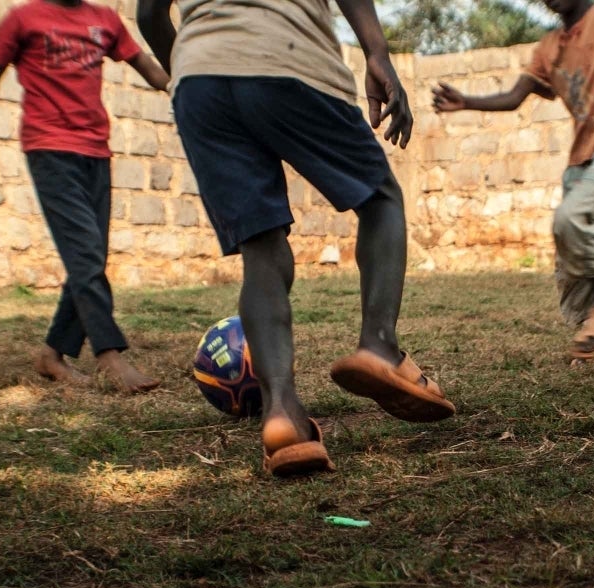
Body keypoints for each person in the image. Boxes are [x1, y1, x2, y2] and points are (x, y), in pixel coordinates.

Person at [136, 0, 456, 477]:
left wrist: (187, 66)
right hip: (285, 59)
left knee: (261, 249)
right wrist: (377, 52)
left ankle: (282, 415)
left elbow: (148, 15)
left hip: (199, 78)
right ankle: (379, 344)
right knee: (381, 198)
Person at [433, 0, 594, 361]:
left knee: (571, 219)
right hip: (582, 158)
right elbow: (514, 97)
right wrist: (466, 101)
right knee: (569, 249)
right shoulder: (549, 47)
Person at [0, 0, 170, 392]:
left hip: (96, 150)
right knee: (84, 255)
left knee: (90, 255)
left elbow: (146, 67)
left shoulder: (105, 20)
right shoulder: (22, 19)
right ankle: (109, 355)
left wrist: (186, 84)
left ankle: (51, 353)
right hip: (49, 149)